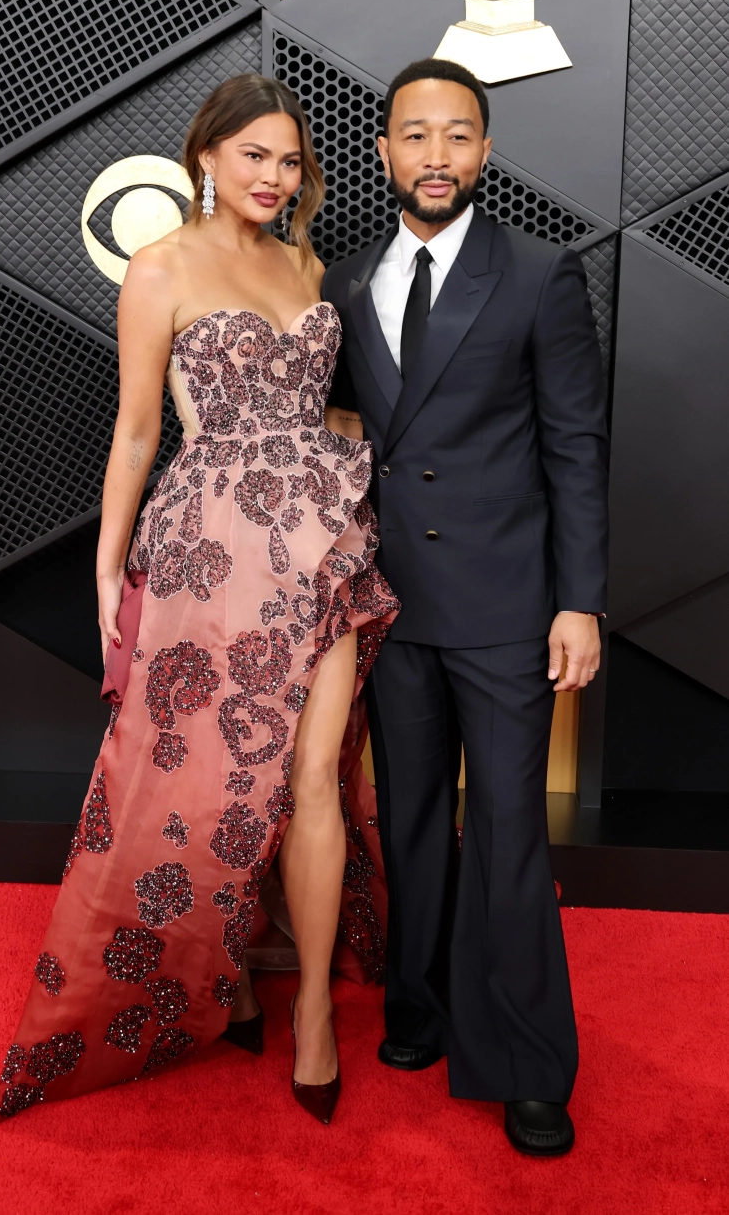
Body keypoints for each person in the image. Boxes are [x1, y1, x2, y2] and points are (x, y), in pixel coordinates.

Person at [0, 74, 398, 1127]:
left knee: (314, 773)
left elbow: (324, 411)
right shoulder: (161, 264)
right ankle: (223, 980)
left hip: (320, 544)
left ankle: (312, 1009)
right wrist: (106, 570)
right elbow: (138, 430)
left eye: (290, 160)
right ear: (206, 156)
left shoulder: (306, 265)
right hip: (211, 552)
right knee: (215, 780)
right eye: (254, 154)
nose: (274, 176)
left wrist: (355, 473)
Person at [322, 58, 608, 1156]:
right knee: (405, 820)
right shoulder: (348, 280)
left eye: (456, 135)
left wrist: (579, 602)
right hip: (394, 607)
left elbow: (574, 446)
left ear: (485, 151)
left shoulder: (538, 272)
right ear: (384, 150)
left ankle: (527, 1063)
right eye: (414, 135)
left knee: (506, 827)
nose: (434, 156)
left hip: (504, 603)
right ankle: (420, 1007)